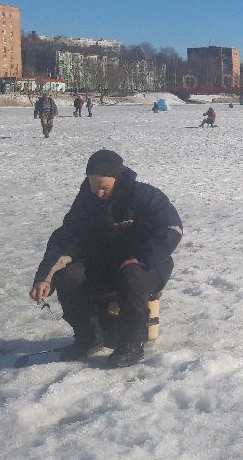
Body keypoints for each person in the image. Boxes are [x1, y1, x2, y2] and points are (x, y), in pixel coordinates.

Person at [29, 150, 183, 367]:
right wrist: (45, 277)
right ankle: (89, 336)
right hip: (105, 264)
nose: (99, 193)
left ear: (117, 180)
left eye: (105, 188)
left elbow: (172, 228)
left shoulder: (144, 195)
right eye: (94, 187)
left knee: (132, 275)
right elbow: (64, 238)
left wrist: (143, 258)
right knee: (68, 275)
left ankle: (132, 342)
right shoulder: (85, 202)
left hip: (147, 264)